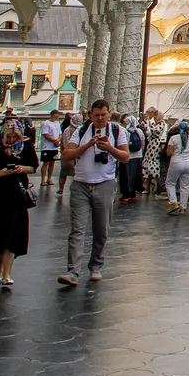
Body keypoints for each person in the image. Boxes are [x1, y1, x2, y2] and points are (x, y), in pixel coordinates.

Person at [58, 99, 131, 287]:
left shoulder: (117, 131)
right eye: (96, 115)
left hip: (104, 184)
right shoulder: (82, 131)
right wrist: (87, 145)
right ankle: (73, 270)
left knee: (101, 229)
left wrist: (109, 148)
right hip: (81, 184)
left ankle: (96, 265)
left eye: (103, 115)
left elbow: (125, 157)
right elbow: (66, 155)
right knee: (77, 229)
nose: (100, 118)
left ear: (109, 114)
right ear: (90, 115)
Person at [0, 123, 35, 286]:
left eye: (14, 137)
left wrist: (20, 169)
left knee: (12, 235)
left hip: (17, 196)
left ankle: (7, 274)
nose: (10, 140)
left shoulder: (25, 146)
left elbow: (32, 167)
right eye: (7, 137)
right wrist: (1, 173)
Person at [163, 119, 189, 215]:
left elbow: (169, 152)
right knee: (185, 186)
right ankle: (183, 208)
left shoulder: (174, 138)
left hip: (176, 162)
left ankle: (174, 203)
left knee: (170, 183)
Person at [142, 108, 169, 195]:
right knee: (148, 166)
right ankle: (147, 187)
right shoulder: (155, 124)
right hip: (151, 146)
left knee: (153, 167)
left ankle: (157, 187)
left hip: (155, 146)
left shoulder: (161, 124)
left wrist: (148, 123)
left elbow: (154, 131)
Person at [38, 110, 64, 187]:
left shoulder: (57, 123)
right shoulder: (46, 123)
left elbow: (60, 134)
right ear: (52, 115)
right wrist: (54, 140)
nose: (57, 117)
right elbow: (45, 134)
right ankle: (43, 179)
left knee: (52, 162)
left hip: (54, 147)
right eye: (56, 115)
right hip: (47, 146)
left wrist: (58, 140)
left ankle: (49, 178)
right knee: (46, 162)